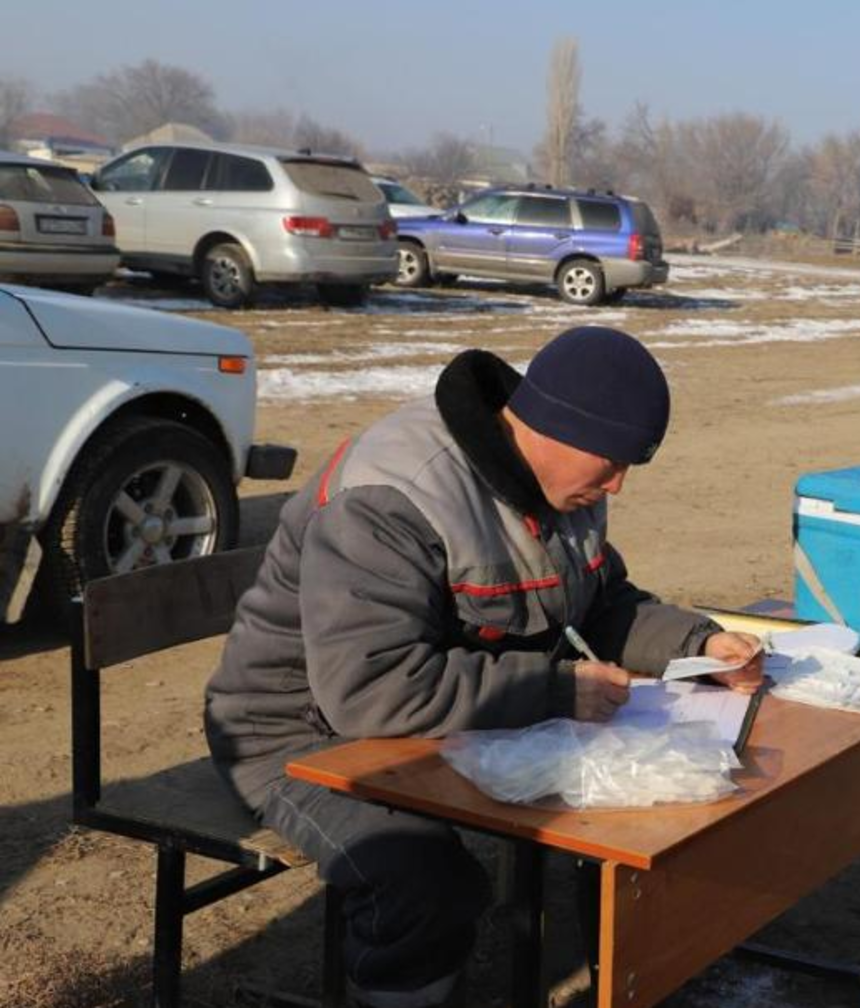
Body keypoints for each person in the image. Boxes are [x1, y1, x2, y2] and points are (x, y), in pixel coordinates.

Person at [204, 327, 763, 1008]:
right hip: (299, 735)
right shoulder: (394, 496)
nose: (618, 483)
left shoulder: (565, 487)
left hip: (440, 724)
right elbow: (370, 690)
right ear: (552, 427)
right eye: (612, 462)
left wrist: (702, 644)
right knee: (423, 883)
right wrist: (555, 690)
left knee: (656, 812)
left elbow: (601, 603)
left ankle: (634, 977)